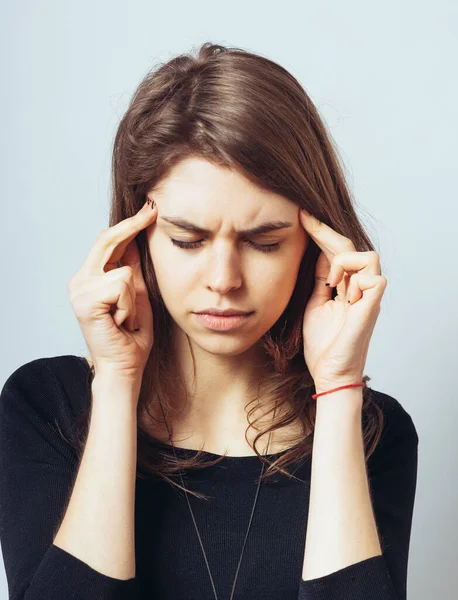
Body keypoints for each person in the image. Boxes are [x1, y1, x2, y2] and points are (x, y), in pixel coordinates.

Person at [0, 42, 418, 600]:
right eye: (187, 239)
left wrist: (339, 390)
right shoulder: (43, 405)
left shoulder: (374, 433)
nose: (224, 278)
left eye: (264, 243)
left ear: (314, 250)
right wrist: (118, 385)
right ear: (135, 238)